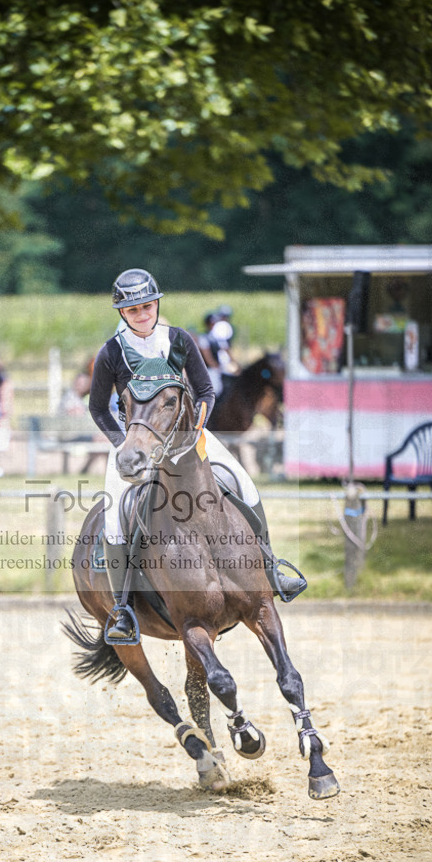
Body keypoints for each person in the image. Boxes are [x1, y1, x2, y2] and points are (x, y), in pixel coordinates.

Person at [88, 268, 306, 643]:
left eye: (147, 305)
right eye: (133, 309)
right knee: (113, 514)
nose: (142, 313)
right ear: (122, 313)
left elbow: (205, 392)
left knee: (244, 483)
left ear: (156, 304)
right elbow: (98, 408)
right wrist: (121, 442)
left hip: (188, 438)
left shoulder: (179, 340)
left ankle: (272, 568)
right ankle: (123, 609)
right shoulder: (111, 352)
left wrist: (193, 432)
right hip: (136, 445)